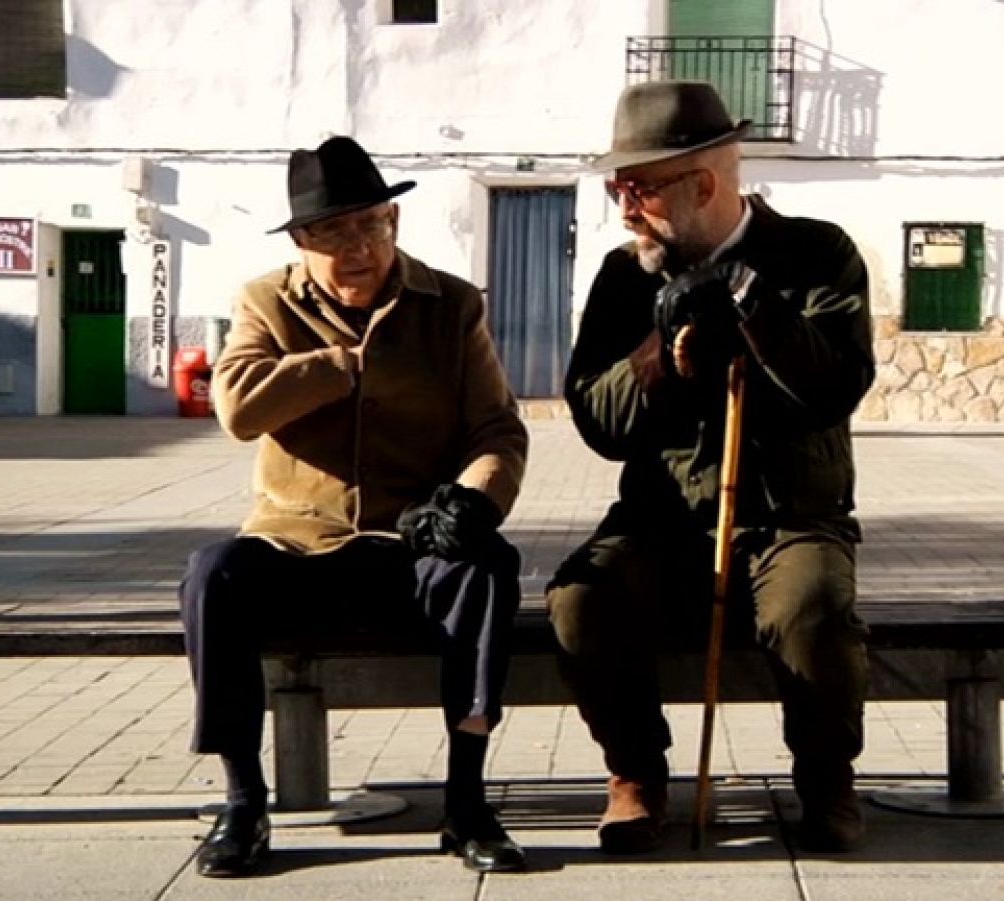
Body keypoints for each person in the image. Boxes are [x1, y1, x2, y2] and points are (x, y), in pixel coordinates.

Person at [179, 135, 529, 876]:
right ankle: (244, 801)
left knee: (487, 564)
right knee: (212, 574)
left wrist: (474, 497)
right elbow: (237, 407)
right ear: (302, 240)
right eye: (335, 232)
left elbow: (496, 428)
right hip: (296, 549)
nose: (358, 247)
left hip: (413, 545)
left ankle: (466, 801)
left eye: (372, 224)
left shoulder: (453, 305)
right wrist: (342, 364)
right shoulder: (264, 302)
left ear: (393, 224)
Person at [546, 81, 877, 854]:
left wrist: (758, 316)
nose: (624, 208)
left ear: (703, 185)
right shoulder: (625, 277)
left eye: (638, 189)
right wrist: (663, 357)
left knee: (813, 613)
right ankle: (636, 775)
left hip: (791, 513)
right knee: (578, 600)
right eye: (615, 188)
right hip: (663, 519)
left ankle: (827, 781)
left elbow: (835, 387)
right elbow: (598, 419)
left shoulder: (817, 253)